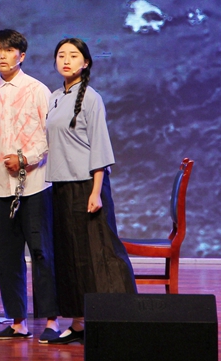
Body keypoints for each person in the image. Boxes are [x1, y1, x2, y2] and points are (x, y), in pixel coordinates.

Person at [0, 29, 61, 343]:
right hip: (2, 188)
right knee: (7, 257)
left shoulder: (38, 90)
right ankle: (18, 322)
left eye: (9, 50)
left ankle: (51, 320)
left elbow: (49, 137)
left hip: (35, 185)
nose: (2, 56)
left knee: (42, 253)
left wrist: (25, 159)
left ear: (21, 55)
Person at [44, 38, 136, 344]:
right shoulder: (55, 97)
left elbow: (99, 147)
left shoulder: (92, 98)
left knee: (101, 253)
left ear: (85, 63)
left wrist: (96, 192)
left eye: (73, 56)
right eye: (61, 55)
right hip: (61, 187)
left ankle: (121, 320)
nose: (66, 60)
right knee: (71, 255)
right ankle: (78, 323)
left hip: (87, 185)